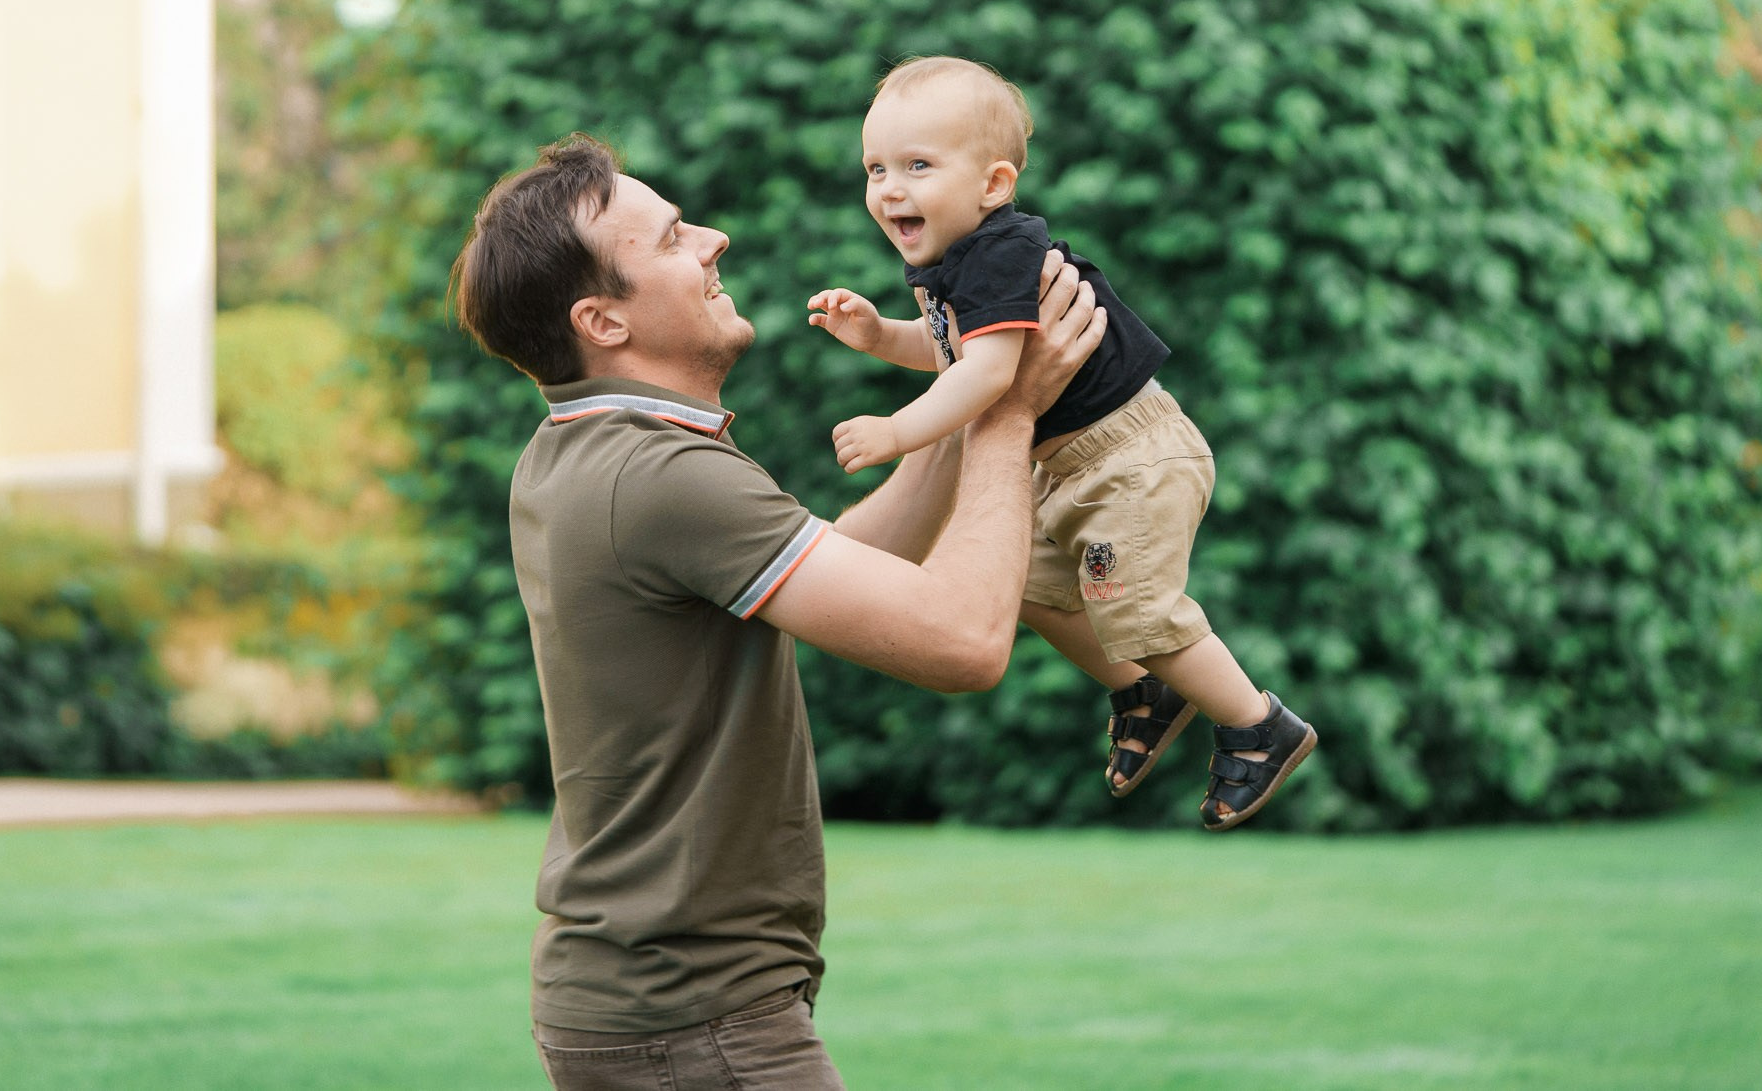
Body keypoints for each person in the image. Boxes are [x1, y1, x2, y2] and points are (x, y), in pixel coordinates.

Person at [452, 133, 1108, 1089]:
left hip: (652, 1006)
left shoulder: (581, 451)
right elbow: (963, 640)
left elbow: (848, 570)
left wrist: (971, 392)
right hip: (694, 1016)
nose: (714, 239)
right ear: (602, 320)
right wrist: (1009, 417)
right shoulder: (660, 476)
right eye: (673, 238)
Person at [807, 56, 1318, 824]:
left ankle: (1257, 725)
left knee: (1138, 606)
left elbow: (985, 374)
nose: (890, 187)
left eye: (918, 165)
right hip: (1074, 465)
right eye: (876, 168)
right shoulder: (954, 263)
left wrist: (896, 430)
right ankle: (1142, 690)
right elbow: (951, 347)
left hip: (1129, 459)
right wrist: (879, 333)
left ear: (994, 184)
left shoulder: (1001, 251)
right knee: (1029, 586)